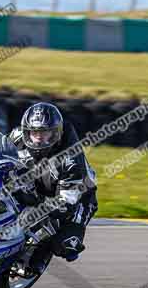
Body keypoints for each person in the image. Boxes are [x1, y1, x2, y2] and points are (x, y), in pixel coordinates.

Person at [8, 102, 98, 270]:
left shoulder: (71, 161)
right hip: (38, 181)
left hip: (77, 198)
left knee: (65, 245)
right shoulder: (17, 136)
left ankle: (39, 254)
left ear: (56, 132)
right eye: (34, 133)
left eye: (45, 133)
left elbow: (65, 205)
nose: (39, 138)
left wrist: (33, 199)